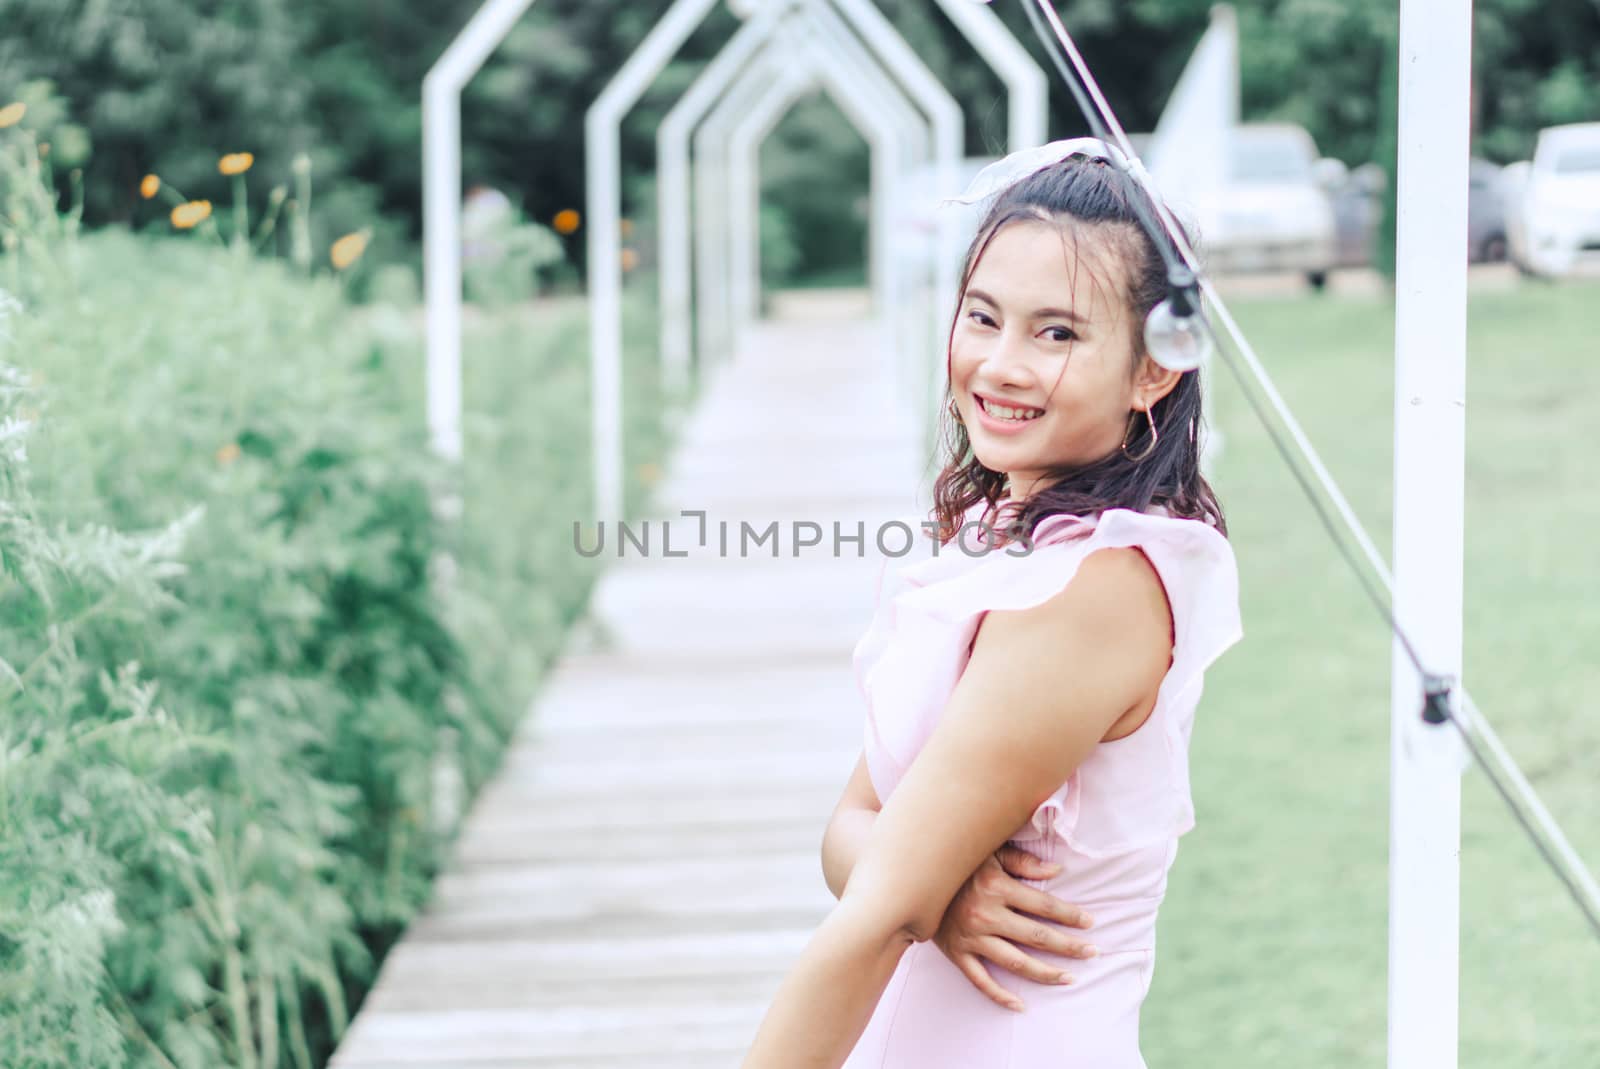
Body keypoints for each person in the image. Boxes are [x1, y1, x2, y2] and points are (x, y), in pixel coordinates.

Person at [738, 144, 1245, 1068]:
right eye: (983, 317)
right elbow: (850, 826)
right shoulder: (1004, 542)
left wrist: (911, 887)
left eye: (1057, 334)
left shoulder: (1094, 588)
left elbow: (882, 910)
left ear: (1152, 371)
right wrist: (947, 887)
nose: (1001, 364)